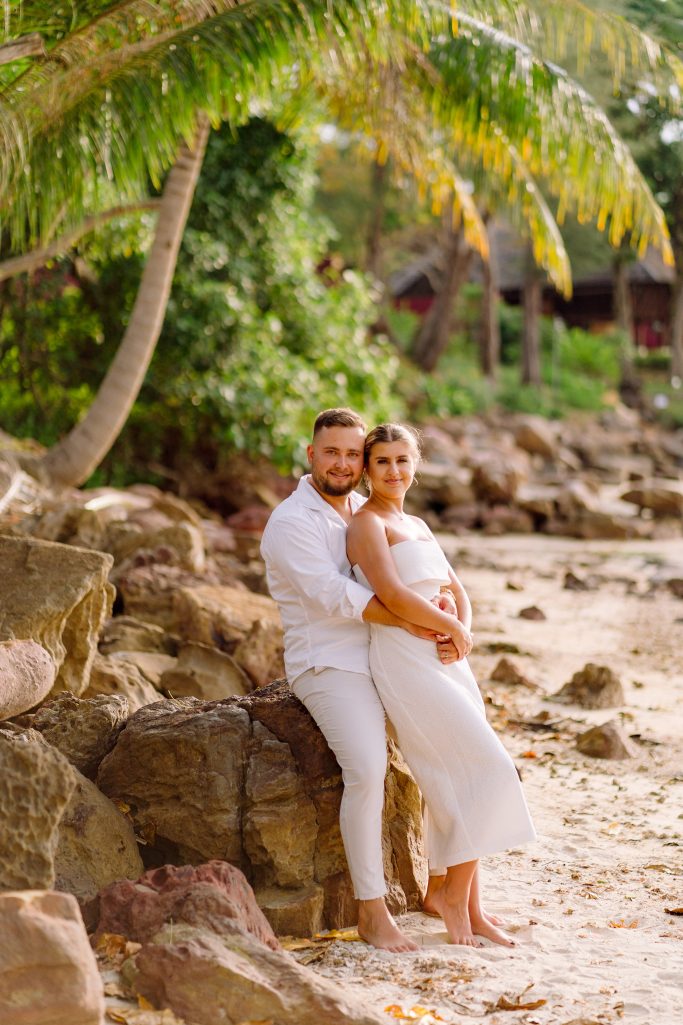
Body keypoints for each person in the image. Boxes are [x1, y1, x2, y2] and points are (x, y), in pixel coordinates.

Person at [260, 408, 458, 952]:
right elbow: (332, 594)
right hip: (328, 664)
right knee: (368, 770)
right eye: (333, 452)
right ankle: (371, 911)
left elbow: (403, 569)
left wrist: (438, 604)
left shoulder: (363, 510)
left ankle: (440, 889)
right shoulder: (290, 522)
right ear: (311, 455)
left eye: (353, 454)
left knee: (443, 751)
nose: (343, 463)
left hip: (386, 655)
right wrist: (418, 620)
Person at [346, 422, 537, 948]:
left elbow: (456, 588)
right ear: (367, 468)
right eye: (382, 461)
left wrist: (463, 628)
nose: (394, 471)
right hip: (406, 658)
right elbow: (390, 593)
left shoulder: (420, 524)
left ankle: (471, 906)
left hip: (450, 657)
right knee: (486, 769)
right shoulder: (366, 524)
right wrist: (449, 626)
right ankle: (452, 897)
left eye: (403, 460)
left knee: (455, 781)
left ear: (416, 465)